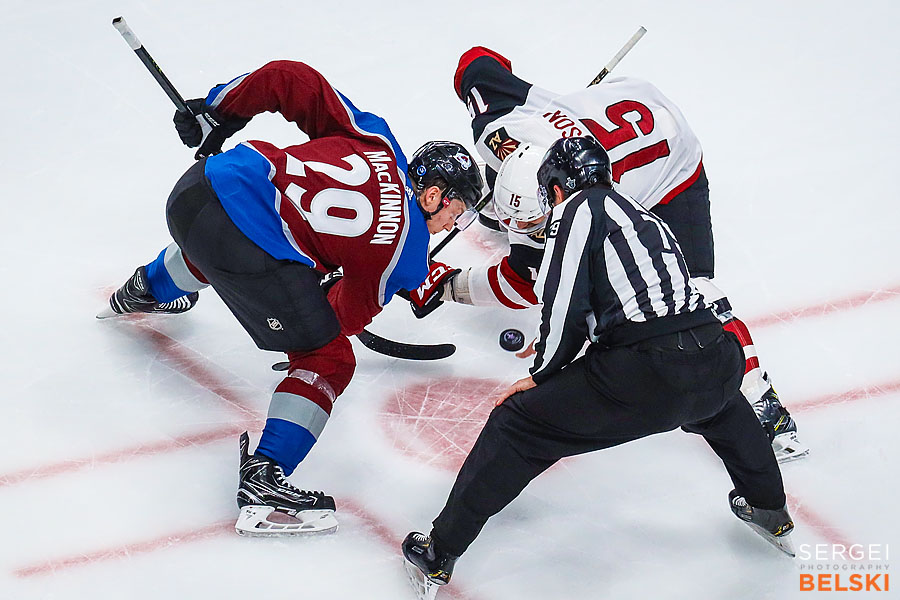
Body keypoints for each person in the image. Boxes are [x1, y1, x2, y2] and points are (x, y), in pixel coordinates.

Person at [98, 60, 484, 536]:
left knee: (245, 244)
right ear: (433, 195)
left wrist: (219, 110)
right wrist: (322, 293)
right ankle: (265, 479)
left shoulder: (377, 140)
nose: (454, 224)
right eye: (458, 211)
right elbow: (342, 319)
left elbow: (292, 78)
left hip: (196, 192)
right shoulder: (408, 252)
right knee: (328, 358)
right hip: (241, 244)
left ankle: (145, 288)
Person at [402, 137, 795, 593]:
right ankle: (772, 511)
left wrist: (542, 373)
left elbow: (566, 306)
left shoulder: (576, 211)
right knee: (721, 406)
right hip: (716, 353)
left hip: (647, 371)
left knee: (516, 425)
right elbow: (647, 298)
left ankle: (439, 552)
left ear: (555, 189)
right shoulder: (641, 212)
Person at [411, 46, 807, 462]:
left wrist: (449, 285)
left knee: (693, 294)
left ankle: (763, 404)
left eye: (533, 224)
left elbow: (524, 284)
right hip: (625, 99)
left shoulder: (594, 208)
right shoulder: (497, 130)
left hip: (671, 163)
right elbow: (476, 63)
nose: (522, 233)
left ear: (554, 195)